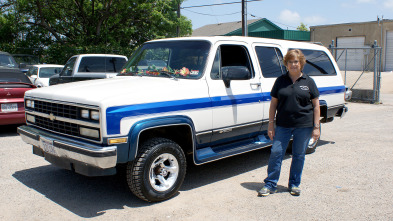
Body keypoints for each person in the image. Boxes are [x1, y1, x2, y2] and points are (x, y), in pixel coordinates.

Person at [258, 49, 320, 197]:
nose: (293, 64)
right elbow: (274, 103)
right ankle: (270, 184)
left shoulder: (309, 81)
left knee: (298, 155)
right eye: (290, 62)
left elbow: (316, 105)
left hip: (304, 126)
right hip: (283, 125)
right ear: (286, 64)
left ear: (301, 63)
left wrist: (316, 127)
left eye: (296, 62)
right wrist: (271, 124)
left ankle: (294, 184)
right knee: (276, 153)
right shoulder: (280, 81)